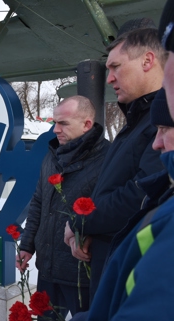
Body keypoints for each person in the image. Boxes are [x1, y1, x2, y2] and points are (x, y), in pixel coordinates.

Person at [57, 88, 174, 321]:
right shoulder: (53, 157)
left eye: (166, 129)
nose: (109, 77)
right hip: (68, 260)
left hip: (83, 273)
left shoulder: (162, 219)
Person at [64, 27, 166, 301]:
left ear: (147, 61)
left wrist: (80, 222)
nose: (109, 79)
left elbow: (142, 196)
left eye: (116, 67)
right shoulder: (134, 123)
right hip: (111, 266)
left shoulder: (161, 124)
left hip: (134, 280)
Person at [16, 96, 110, 321]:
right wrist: (27, 245)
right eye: (55, 122)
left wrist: (90, 234)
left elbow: (114, 212)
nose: (55, 129)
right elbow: (38, 201)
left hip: (81, 276)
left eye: (63, 123)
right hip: (47, 270)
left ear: (87, 124)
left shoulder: (107, 159)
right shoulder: (52, 154)